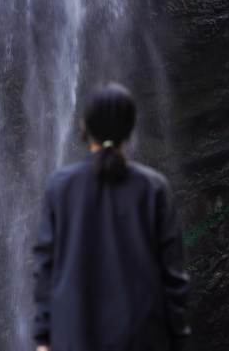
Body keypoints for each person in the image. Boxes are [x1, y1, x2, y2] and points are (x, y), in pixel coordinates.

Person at [32, 83, 191, 351]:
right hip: (141, 337)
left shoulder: (60, 186)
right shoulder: (153, 188)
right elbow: (172, 276)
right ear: (130, 129)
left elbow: (45, 268)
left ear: (84, 127)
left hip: (74, 336)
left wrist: (43, 337)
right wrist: (177, 337)